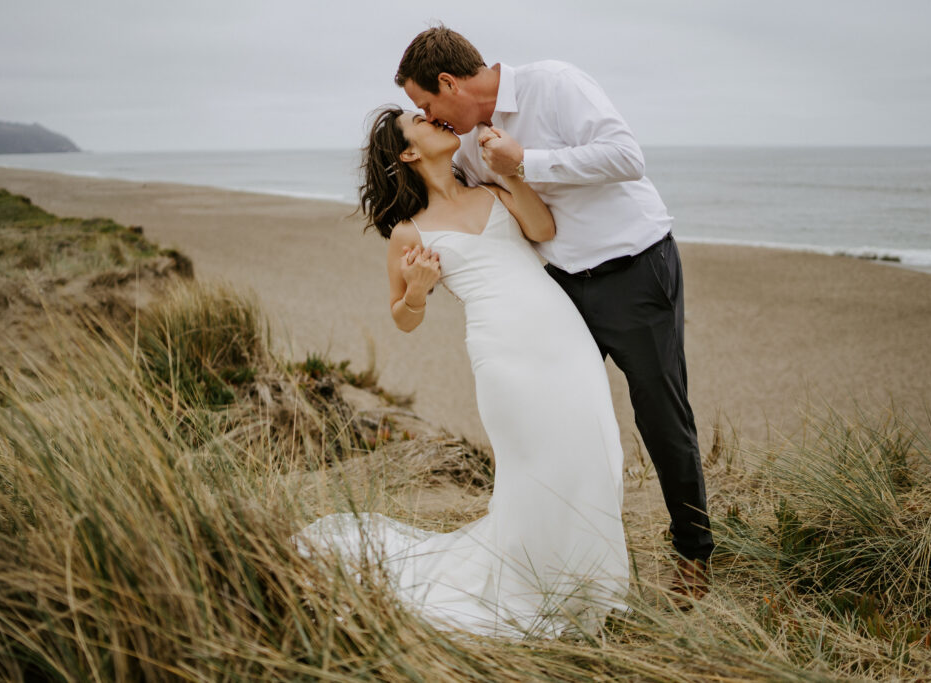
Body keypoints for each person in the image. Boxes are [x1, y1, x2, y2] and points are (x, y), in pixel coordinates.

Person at [394, 26, 714, 597]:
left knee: (659, 414)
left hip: (633, 268)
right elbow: (464, 206)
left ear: (448, 82)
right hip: (558, 294)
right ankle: (569, 556)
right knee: (563, 421)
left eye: (427, 104)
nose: (431, 118)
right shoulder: (464, 146)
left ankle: (694, 549)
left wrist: (527, 160)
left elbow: (627, 157)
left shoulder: (555, 84)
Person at [294, 106, 630, 638]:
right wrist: (421, 291)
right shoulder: (408, 233)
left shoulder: (492, 189)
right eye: (419, 121)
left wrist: (512, 175)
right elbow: (402, 318)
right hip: (502, 351)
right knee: (533, 463)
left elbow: (543, 227)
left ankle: (588, 584)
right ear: (408, 152)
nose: (435, 120)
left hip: (564, 337)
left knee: (598, 446)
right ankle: (534, 586)